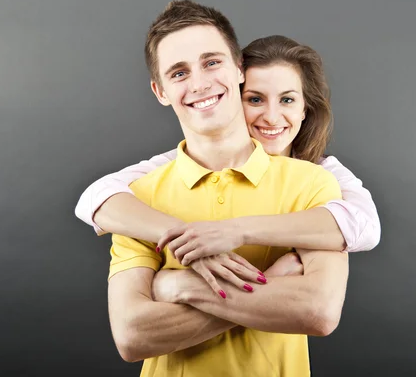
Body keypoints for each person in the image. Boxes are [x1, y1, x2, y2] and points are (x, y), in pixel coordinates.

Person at [81, 0, 352, 376]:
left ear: (238, 68)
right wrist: (272, 287)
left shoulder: (311, 184)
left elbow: (318, 312)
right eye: (179, 73)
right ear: (160, 92)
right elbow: (132, 335)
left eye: (211, 62)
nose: (199, 83)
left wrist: (181, 287)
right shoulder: (140, 201)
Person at [76, 35, 380, 296]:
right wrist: (191, 241)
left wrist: (235, 233)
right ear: (231, 97)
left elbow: (365, 226)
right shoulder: (184, 163)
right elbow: (95, 197)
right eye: (255, 99)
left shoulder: (322, 174)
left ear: (305, 109)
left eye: (287, 100)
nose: (272, 118)